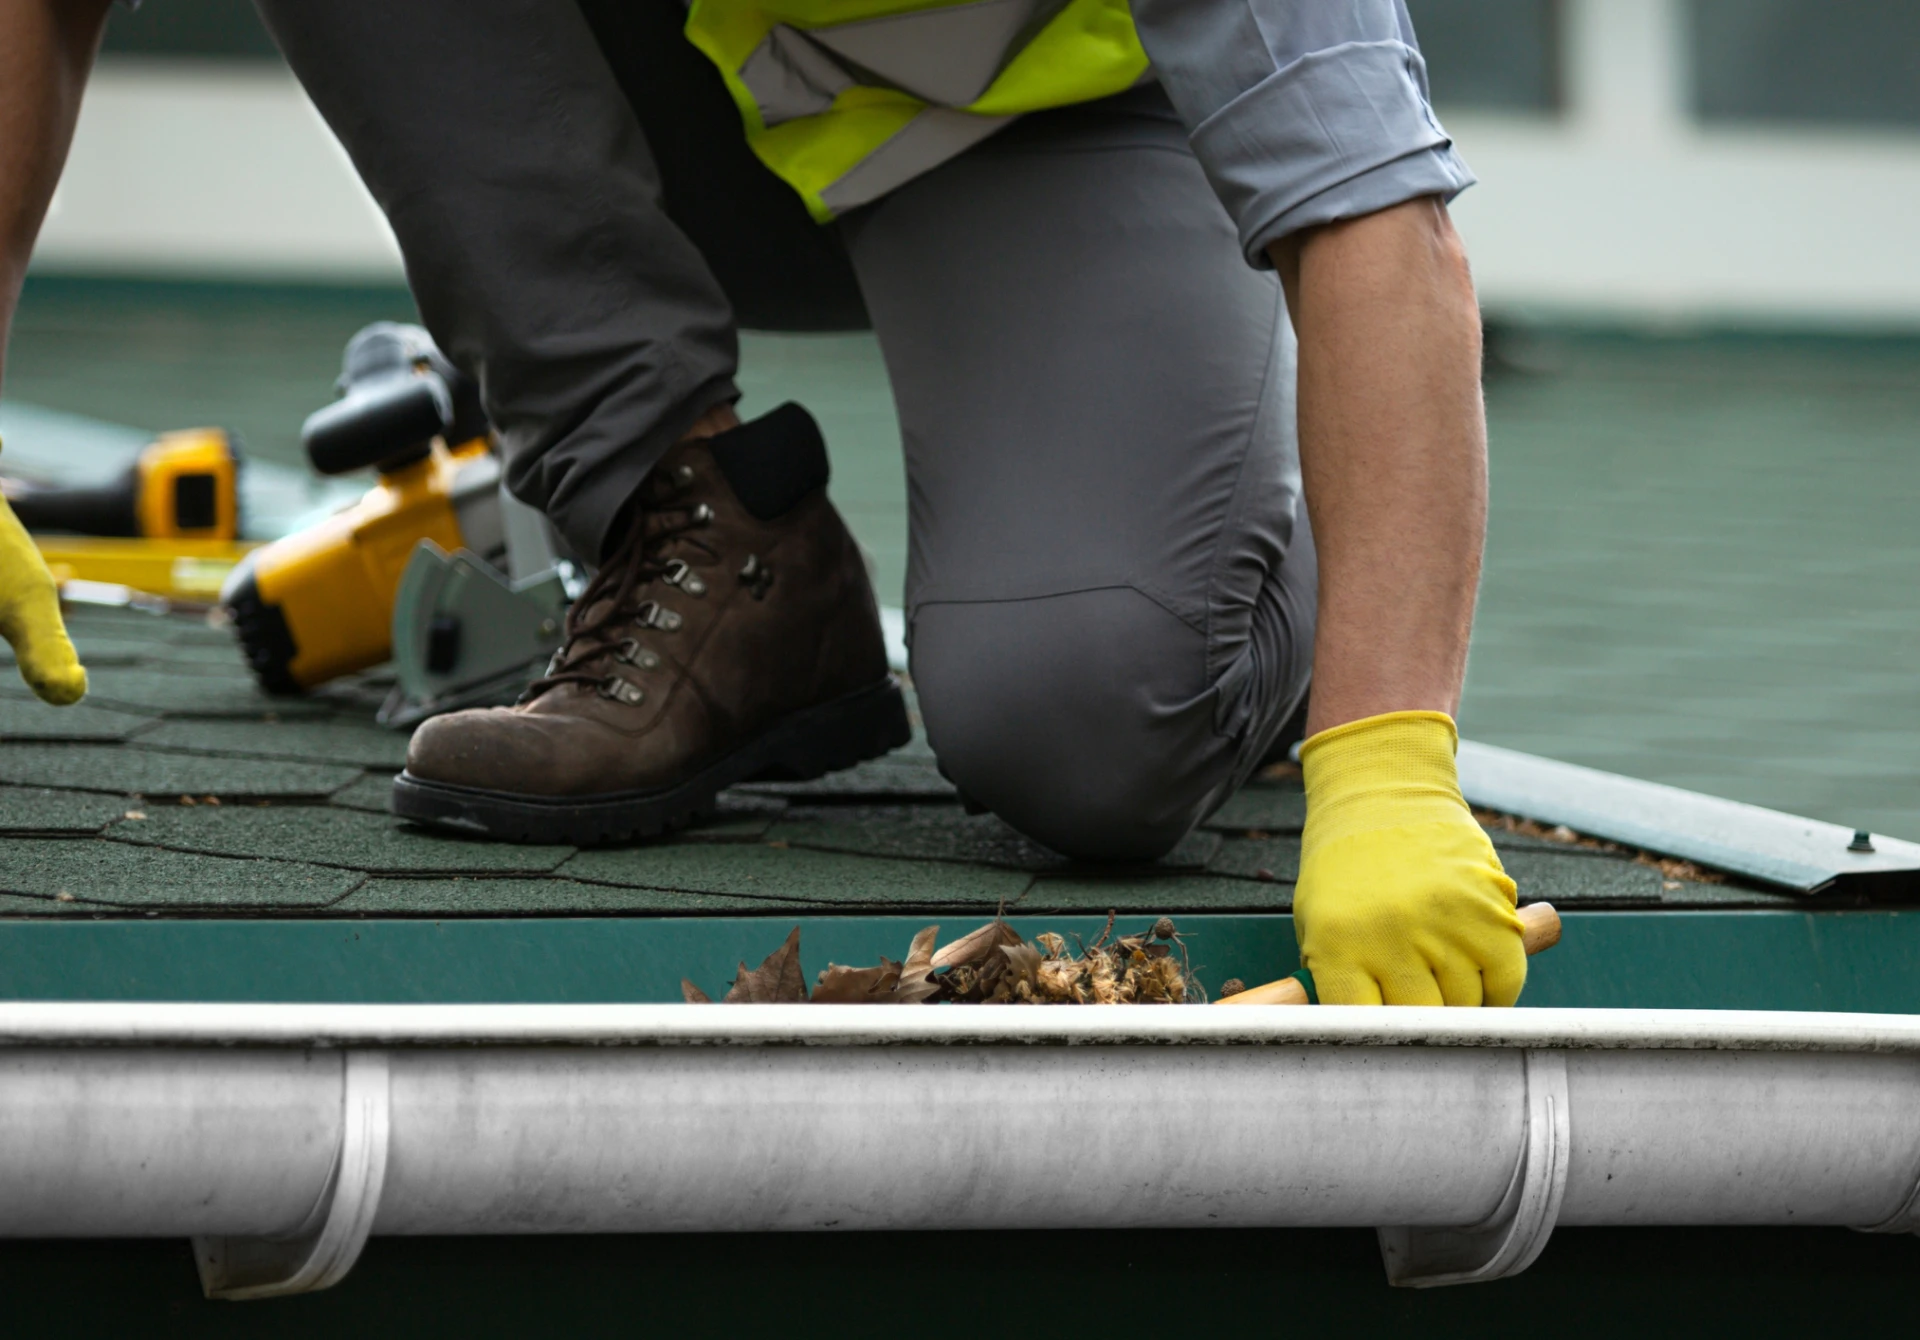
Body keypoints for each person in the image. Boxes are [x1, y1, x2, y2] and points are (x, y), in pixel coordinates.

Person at [0, 0, 1527, 1007]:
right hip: (680, 83)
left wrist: (1386, 751)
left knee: (1092, 732)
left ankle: (1263, 545)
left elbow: (1378, 220)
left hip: (1045, 136)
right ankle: (689, 517)